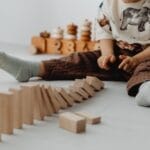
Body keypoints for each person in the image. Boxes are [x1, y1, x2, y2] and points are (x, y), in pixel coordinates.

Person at [0, 0, 149, 106]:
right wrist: (107, 55)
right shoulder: (108, 4)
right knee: (81, 59)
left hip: (145, 56)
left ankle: (145, 87)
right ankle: (32, 69)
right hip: (120, 55)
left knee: (145, 69)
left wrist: (136, 60)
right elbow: (105, 34)